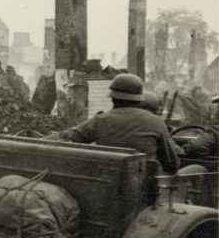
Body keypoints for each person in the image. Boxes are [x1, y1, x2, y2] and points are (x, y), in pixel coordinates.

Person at [52, 73, 180, 174]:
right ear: (139, 100)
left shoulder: (100, 120)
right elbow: (172, 166)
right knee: (196, 168)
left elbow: (68, 138)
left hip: (106, 184)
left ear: (113, 98)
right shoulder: (155, 122)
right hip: (143, 191)